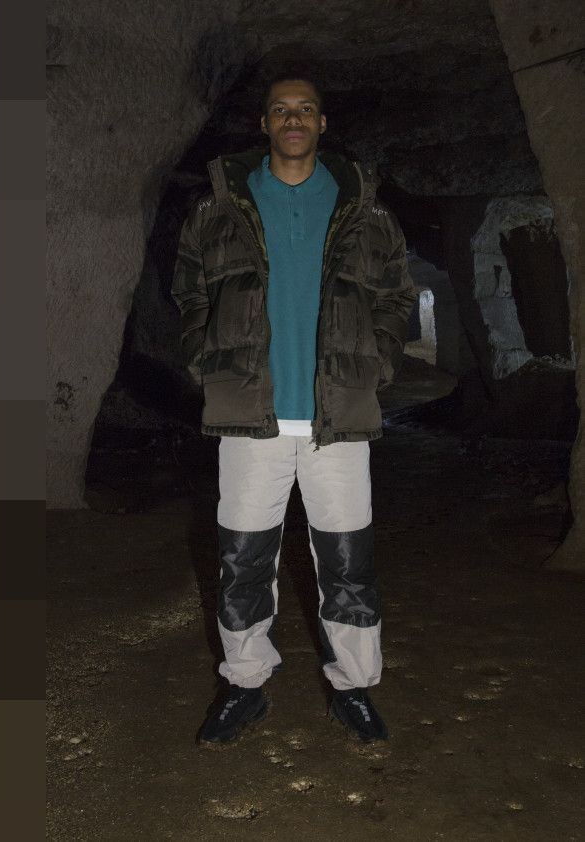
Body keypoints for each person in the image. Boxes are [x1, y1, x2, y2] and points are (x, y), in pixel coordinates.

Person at [171, 72, 417, 745]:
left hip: (339, 419)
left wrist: (378, 363)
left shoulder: (365, 210)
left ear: (322, 122)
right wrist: (205, 360)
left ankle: (353, 687)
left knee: (348, 562)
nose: (293, 119)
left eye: (305, 109)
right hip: (250, 416)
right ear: (264, 124)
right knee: (243, 559)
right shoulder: (218, 208)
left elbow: (397, 295)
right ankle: (244, 685)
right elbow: (189, 291)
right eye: (280, 110)